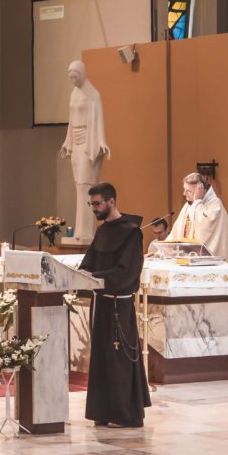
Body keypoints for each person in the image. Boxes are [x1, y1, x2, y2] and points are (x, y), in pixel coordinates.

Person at [79, 182, 150, 428]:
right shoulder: (102, 232)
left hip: (119, 305)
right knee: (102, 358)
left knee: (119, 358)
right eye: (91, 204)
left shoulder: (131, 232)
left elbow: (127, 272)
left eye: (97, 203)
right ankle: (104, 411)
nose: (94, 208)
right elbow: (88, 262)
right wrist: (81, 273)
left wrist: (95, 277)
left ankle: (126, 414)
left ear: (111, 201)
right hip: (101, 303)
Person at [60, 60, 110, 241]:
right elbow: (71, 120)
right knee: (78, 186)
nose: (73, 81)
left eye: (76, 77)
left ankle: (86, 231)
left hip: (88, 143)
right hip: (76, 142)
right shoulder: (74, 93)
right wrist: (68, 141)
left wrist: (101, 141)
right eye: (71, 78)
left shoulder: (93, 94)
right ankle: (80, 231)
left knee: (85, 185)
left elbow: (98, 120)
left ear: (82, 74)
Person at [167, 172, 228, 261]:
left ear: (201, 190)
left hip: (210, 263)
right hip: (188, 259)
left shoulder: (215, 205)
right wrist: (161, 252)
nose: (184, 193)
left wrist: (198, 201)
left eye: (188, 191)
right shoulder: (188, 206)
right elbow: (176, 231)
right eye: (184, 189)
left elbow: (204, 226)